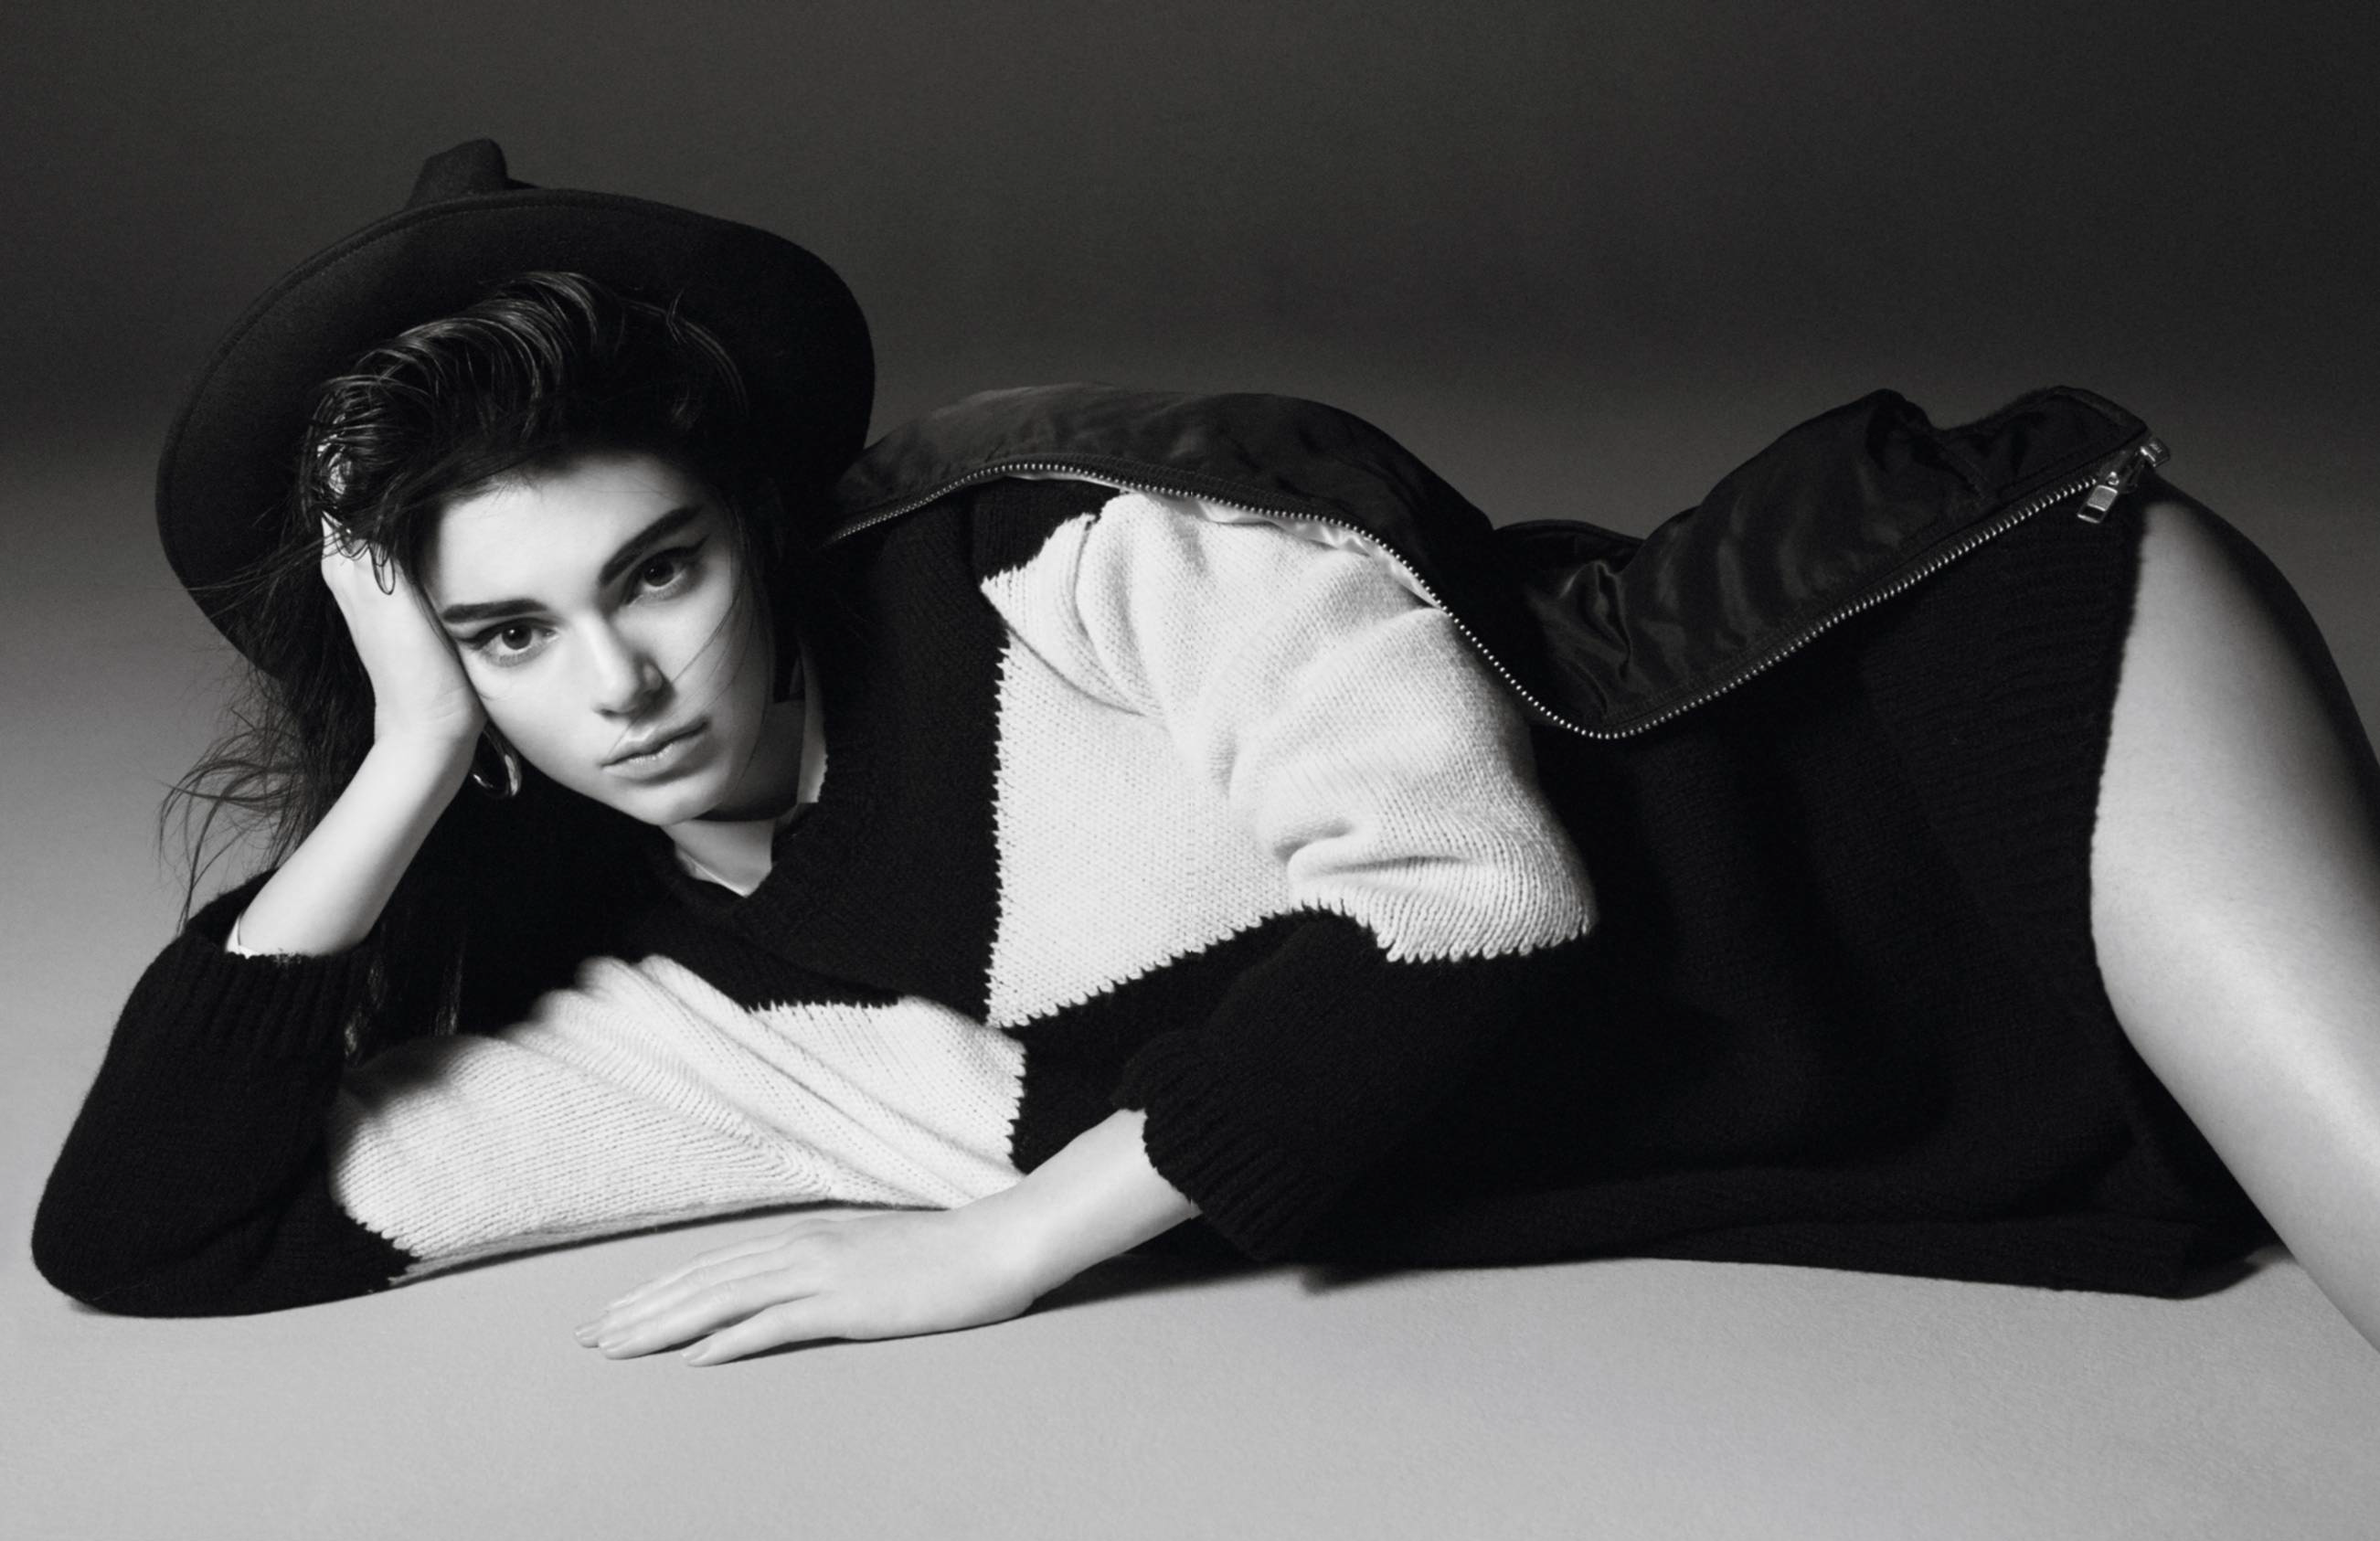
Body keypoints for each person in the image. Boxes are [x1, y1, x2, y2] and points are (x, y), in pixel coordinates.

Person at [33, 141, 2380, 1365]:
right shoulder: (684, 1025)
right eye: (513, 638)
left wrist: (1008, 1247)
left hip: (1971, 699)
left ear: (757, 528)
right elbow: (150, 1233)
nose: (622, 683)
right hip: (1921, 1072)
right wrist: (398, 771)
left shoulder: (1065, 552)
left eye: (658, 574)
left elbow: (1479, 906)